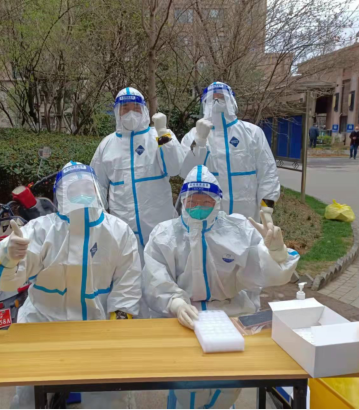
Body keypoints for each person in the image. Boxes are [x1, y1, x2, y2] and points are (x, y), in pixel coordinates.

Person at [0, 161, 142, 409]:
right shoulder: (40, 229)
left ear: (96, 190)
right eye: (73, 190)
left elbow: (128, 283)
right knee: (30, 396)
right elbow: (6, 279)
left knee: (110, 397)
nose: (81, 195)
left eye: (87, 188)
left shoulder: (118, 231)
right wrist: (7, 257)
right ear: (61, 195)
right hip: (43, 324)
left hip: (98, 325)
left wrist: (119, 321)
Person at [143, 165, 300, 409]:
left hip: (231, 316)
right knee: (187, 386)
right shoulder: (165, 234)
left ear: (217, 202)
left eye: (205, 201)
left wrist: (277, 253)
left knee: (229, 384)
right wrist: (175, 302)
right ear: (182, 201)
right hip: (183, 318)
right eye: (192, 200)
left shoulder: (238, 230)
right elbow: (155, 275)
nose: (198, 206)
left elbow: (266, 272)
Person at [91, 87, 184, 257]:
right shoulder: (107, 145)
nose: (131, 113)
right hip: (124, 228)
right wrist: (99, 220)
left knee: (163, 267)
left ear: (144, 110)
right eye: (125, 108)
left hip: (160, 225)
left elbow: (175, 167)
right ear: (117, 112)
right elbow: (97, 186)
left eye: (135, 107)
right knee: (130, 270)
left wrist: (163, 133)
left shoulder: (158, 136)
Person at [179, 82, 280, 224]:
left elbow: (267, 171)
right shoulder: (193, 135)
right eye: (212, 98)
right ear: (205, 104)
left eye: (221, 97)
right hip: (208, 215)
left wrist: (267, 207)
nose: (217, 101)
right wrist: (199, 141)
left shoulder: (252, 133)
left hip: (246, 214)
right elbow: (185, 172)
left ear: (231, 101)